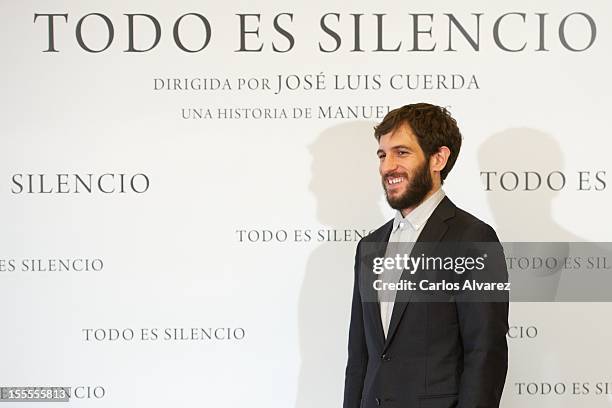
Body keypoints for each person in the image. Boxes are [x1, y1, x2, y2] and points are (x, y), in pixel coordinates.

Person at [343, 103, 509, 408]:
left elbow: (485, 354)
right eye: (382, 155)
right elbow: (360, 359)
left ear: (438, 158)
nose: (387, 166)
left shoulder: (473, 239)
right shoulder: (369, 246)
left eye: (401, 153)